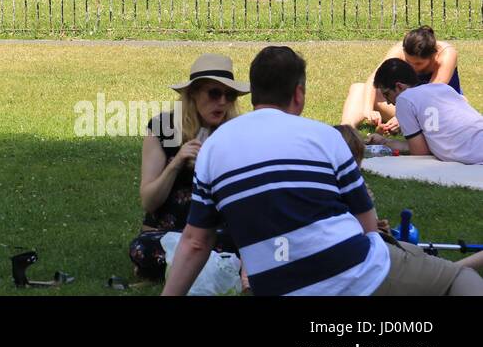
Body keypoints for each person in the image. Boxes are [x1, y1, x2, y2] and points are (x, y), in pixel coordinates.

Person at [163, 45, 483, 296]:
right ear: (298, 94)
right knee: (459, 279)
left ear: (253, 93)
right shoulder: (325, 137)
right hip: (358, 273)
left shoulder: (213, 149)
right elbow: (369, 228)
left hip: (277, 287)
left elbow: (194, 243)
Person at [130, 54, 246, 282]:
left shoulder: (235, 134)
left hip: (215, 234)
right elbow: (149, 201)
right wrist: (176, 162)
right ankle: (208, 267)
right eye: (214, 93)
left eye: (229, 95)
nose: (222, 102)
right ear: (193, 93)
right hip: (168, 233)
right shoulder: (163, 129)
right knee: (141, 248)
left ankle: (178, 268)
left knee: (243, 242)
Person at [342, 26, 462, 131]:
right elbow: (375, 79)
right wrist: (368, 109)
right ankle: (345, 130)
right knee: (359, 88)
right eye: (408, 61)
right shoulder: (400, 49)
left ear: (432, 56)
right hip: (410, 108)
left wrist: (402, 117)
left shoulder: (446, 54)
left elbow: (430, 96)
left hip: (435, 111)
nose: (413, 67)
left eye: (419, 63)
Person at [367, 58, 483, 165]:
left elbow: (420, 152)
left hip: (474, 155)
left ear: (399, 87)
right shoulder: (443, 88)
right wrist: (384, 141)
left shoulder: (404, 99)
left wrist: (385, 143)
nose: (387, 102)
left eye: (387, 94)